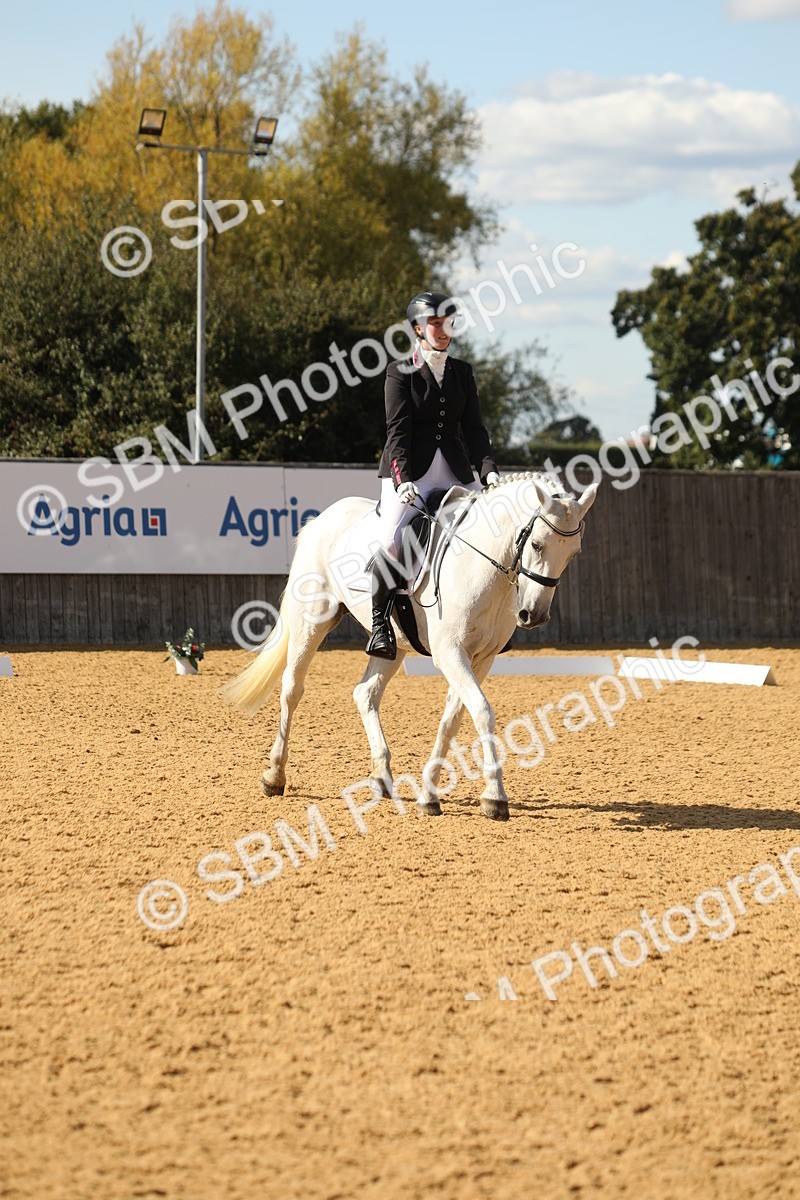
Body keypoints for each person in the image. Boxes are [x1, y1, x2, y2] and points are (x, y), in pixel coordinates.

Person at [366, 290, 501, 658]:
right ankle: (380, 626)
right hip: (410, 472)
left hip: (455, 471)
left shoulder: (462, 372)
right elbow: (397, 431)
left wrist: (488, 472)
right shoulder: (399, 372)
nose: (443, 330)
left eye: (448, 323)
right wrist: (402, 479)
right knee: (392, 542)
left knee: (495, 528)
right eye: (435, 324)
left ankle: (498, 618)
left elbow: (475, 429)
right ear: (418, 328)